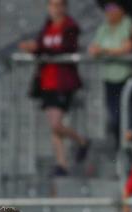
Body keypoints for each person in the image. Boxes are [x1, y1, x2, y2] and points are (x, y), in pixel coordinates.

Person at [20, 0, 89, 177]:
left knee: (57, 125)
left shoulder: (70, 27)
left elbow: (66, 48)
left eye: (59, 5)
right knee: (53, 125)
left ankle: (81, 141)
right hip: (47, 81)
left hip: (63, 81)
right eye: (52, 5)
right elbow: (43, 48)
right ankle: (62, 164)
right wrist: (34, 49)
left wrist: (39, 48)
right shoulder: (47, 26)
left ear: (65, 7)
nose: (55, 9)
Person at [89, 3, 132, 148]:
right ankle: (119, 147)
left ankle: (126, 147)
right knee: (114, 116)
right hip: (109, 78)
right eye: (107, 9)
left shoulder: (129, 24)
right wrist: (108, 51)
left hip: (126, 77)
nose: (109, 12)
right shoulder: (103, 28)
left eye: (113, 9)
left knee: (124, 116)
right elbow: (93, 49)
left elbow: (126, 48)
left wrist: (104, 51)